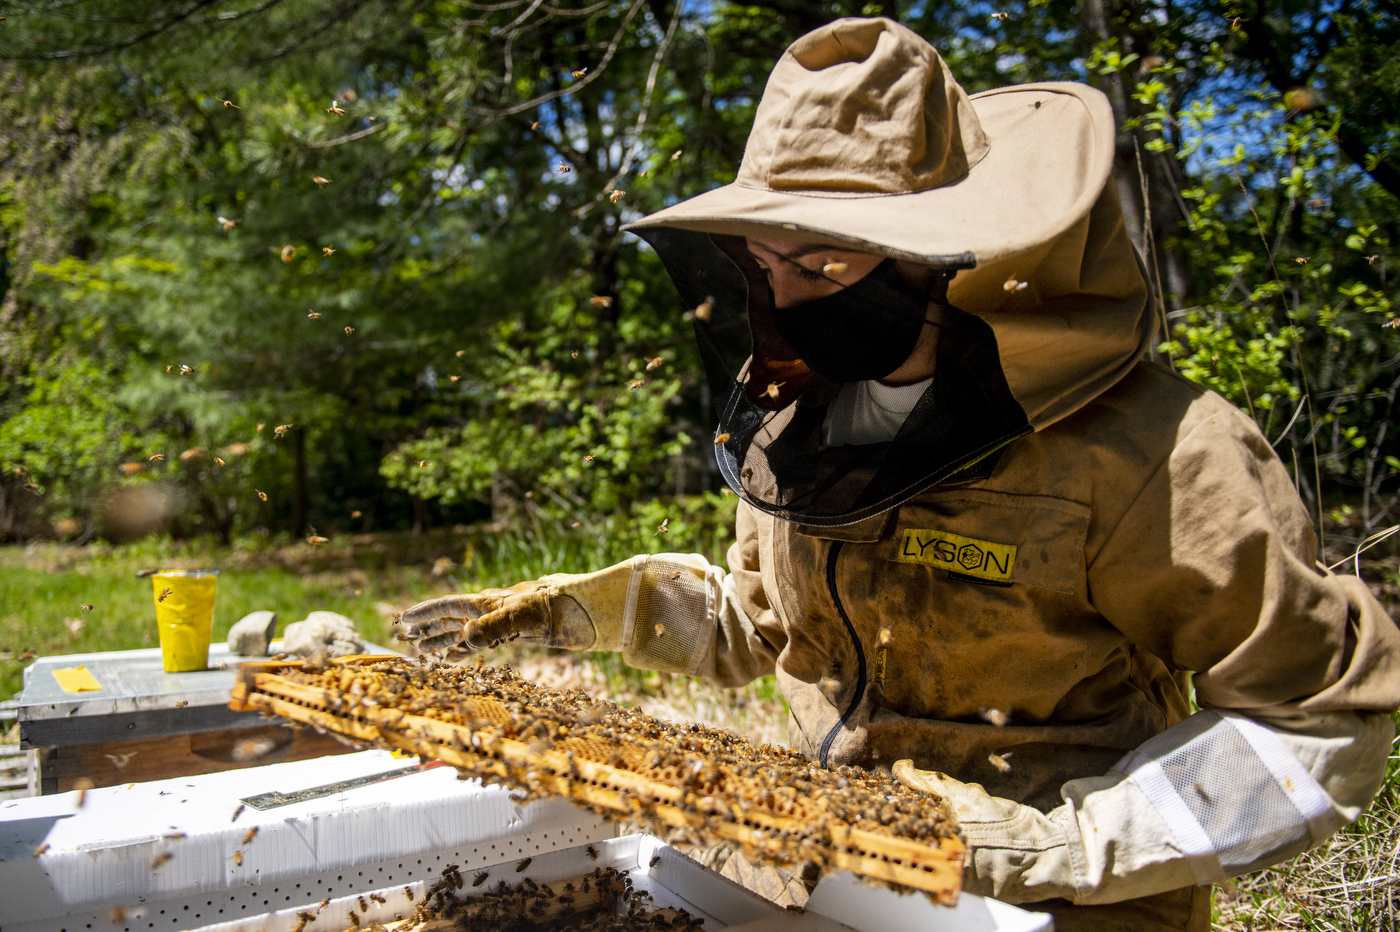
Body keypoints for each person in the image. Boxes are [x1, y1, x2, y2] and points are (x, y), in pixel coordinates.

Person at [398, 18, 1400, 931]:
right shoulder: (800, 417)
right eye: (764, 262)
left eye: (824, 267)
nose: (785, 299)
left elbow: (1311, 717)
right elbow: (764, 628)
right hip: (839, 882)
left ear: (950, 258)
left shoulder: (1154, 449)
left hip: (1071, 906)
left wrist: (1060, 845)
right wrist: (586, 609)